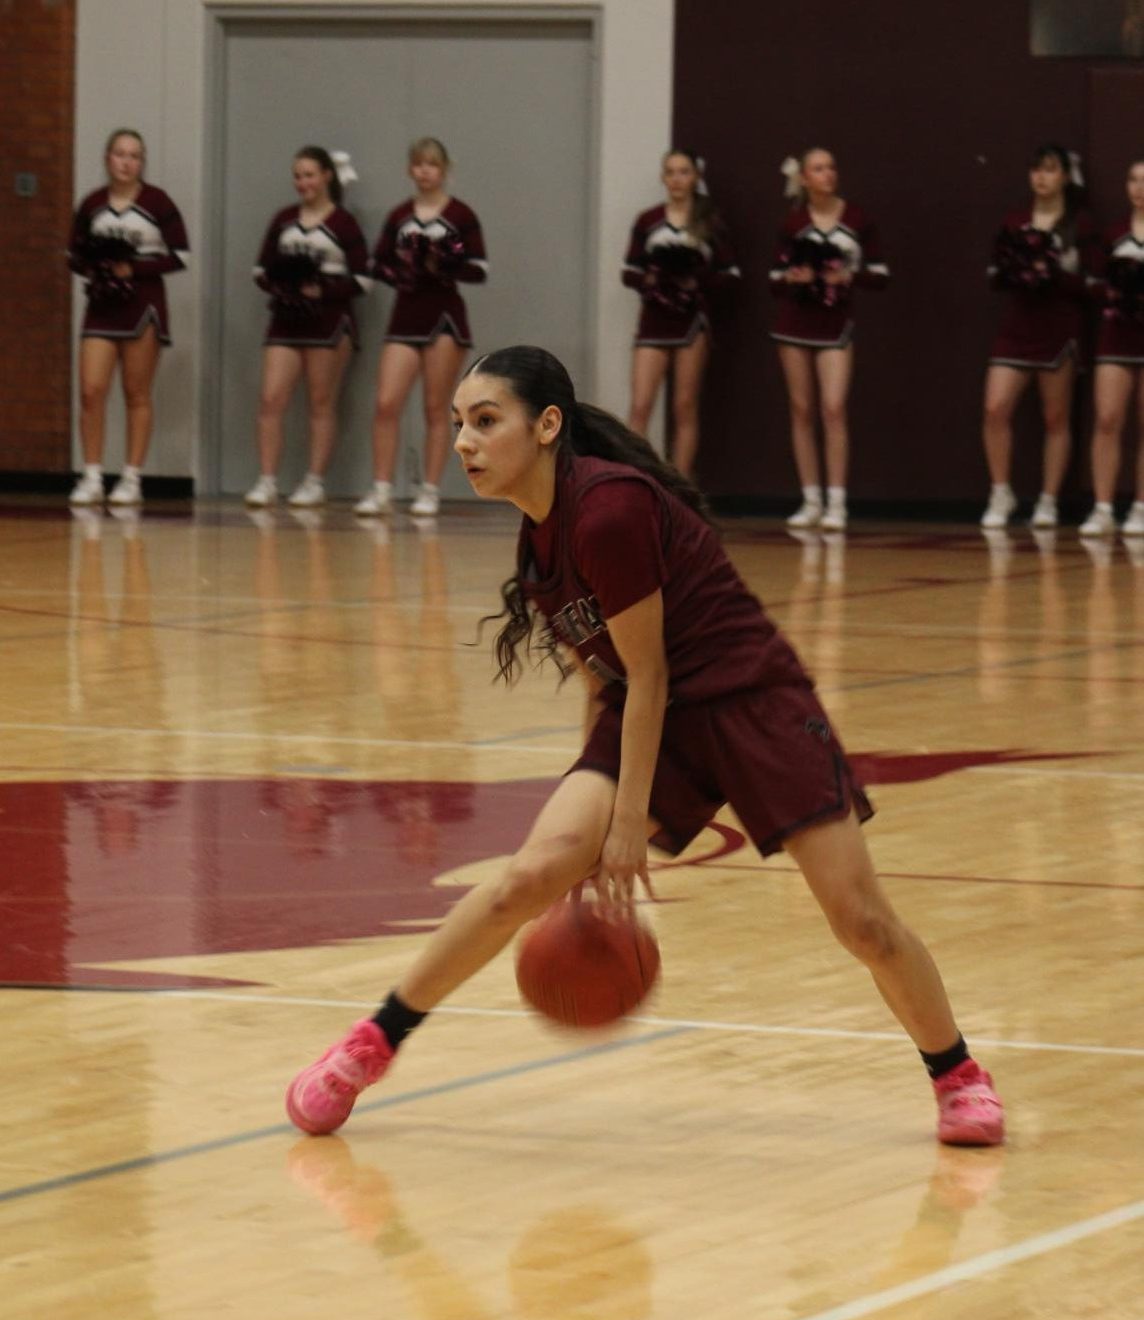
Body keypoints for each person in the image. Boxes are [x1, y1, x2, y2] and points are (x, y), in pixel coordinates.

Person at [284, 344, 1005, 1151]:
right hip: (644, 710)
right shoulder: (538, 543)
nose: (464, 442)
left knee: (862, 920)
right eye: (458, 424)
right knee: (529, 875)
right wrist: (586, 818)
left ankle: (958, 1075)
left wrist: (627, 822)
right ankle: (365, 1049)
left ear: (547, 425)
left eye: (486, 421)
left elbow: (653, 672)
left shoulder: (609, 509)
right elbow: (608, 682)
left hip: (750, 702)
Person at [354, 138, 488, 518]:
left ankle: (429, 490)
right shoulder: (399, 216)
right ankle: (381, 488)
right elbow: (376, 263)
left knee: (435, 407)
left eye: (432, 165)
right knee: (386, 404)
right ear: (410, 170)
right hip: (406, 313)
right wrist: (403, 270)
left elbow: (479, 268)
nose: (425, 171)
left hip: (444, 315)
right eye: (418, 165)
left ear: (444, 169)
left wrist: (443, 265)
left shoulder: (461, 215)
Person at [769, 148, 889, 536]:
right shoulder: (793, 222)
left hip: (836, 325)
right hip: (794, 323)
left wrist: (848, 277)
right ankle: (811, 499)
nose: (828, 174)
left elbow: (881, 274)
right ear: (804, 178)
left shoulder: (856, 219)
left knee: (833, 408)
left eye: (832, 167)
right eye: (819, 168)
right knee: (801, 409)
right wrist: (793, 278)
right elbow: (773, 278)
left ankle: (837, 500)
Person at [67, 129, 189, 509]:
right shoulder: (91, 204)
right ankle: (91, 475)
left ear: (142, 162)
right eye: (120, 154)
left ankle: (131, 477)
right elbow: (73, 255)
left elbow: (181, 255)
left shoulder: (158, 202)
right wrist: (99, 267)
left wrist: (132, 267)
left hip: (143, 305)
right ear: (107, 159)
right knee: (91, 391)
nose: (127, 161)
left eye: (135, 155)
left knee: (136, 393)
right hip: (102, 306)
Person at [980, 145, 1099, 533]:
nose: (1041, 177)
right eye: (1036, 170)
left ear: (1065, 176)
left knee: (1055, 417)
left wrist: (1056, 273)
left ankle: (1048, 500)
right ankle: (1001, 492)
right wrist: (1015, 271)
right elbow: (995, 273)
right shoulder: (1016, 220)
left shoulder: (1079, 224)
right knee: (995, 408)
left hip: (1059, 327)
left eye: (1050, 170)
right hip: (1017, 325)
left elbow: (1095, 286)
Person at [242, 147, 369, 510]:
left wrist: (322, 289)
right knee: (270, 399)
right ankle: (267, 480)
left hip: (329, 321)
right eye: (297, 176)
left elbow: (363, 279)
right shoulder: (283, 219)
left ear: (327, 176)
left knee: (321, 402)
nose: (303, 183)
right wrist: (284, 285)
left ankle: (314, 481)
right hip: (286, 319)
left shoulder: (344, 223)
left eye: (310, 175)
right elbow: (259, 271)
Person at [623, 149, 740, 479]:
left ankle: (680, 487)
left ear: (696, 177)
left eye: (684, 172)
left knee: (684, 407)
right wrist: (653, 279)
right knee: (640, 406)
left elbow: (730, 274)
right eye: (671, 172)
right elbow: (628, 272)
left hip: (692, 323)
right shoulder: (648, 221)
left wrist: (695, 281)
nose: (677, 179)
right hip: (653, 321)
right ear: (663, 177)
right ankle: (635, 482)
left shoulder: (709, 223)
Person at [1079, 160, 1144, 538]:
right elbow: (1092, 283)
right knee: (1107, 419)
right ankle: (1103, 507)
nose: (1139, 188)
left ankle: (1140, 506)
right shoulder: (1114, 234)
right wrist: (1117, 291)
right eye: (1133, 179)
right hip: (1116, 335)